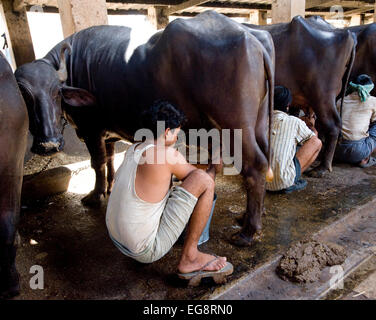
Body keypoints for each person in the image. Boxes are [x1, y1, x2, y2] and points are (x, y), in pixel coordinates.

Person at [106, 100, 233, 283]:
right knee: (205, 181)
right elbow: (202, 180)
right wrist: (215, 166)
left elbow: (181, 174)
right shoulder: (166, 154)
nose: (177, 138)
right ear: (167, 132)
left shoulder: (134, 148)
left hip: (116, 238)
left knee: (176, 186)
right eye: (177, 133)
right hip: (143, 250)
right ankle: (190, 258)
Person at [266, 86, 322, 193]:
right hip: (281, 182)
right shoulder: (294, 121)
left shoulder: (260, 120)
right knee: (316, 142)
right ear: (288, 106)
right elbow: (313, 139)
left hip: (259, 182)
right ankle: (291, 181)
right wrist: (312, 126)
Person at [335, 74, 376, 168]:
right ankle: (365, 159)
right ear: (369, 88)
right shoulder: (373, 101)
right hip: (359, 152)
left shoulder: (341, 101)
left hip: (338, 150)